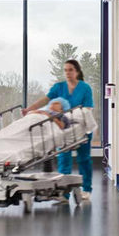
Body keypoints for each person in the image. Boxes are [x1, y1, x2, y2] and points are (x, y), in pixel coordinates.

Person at [24, 59, 94, 197]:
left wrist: (74, 115)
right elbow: (45, 100)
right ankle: (64, 193)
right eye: (65, 70)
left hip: (80, 125)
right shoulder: (59, 87)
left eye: (71, 70)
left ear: (77, 72)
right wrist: (29, 109)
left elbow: (88, 108)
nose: (68, 73)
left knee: (84, 159)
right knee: (63, 158)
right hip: (62, 127)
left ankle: (86, 189)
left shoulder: (85, 88)